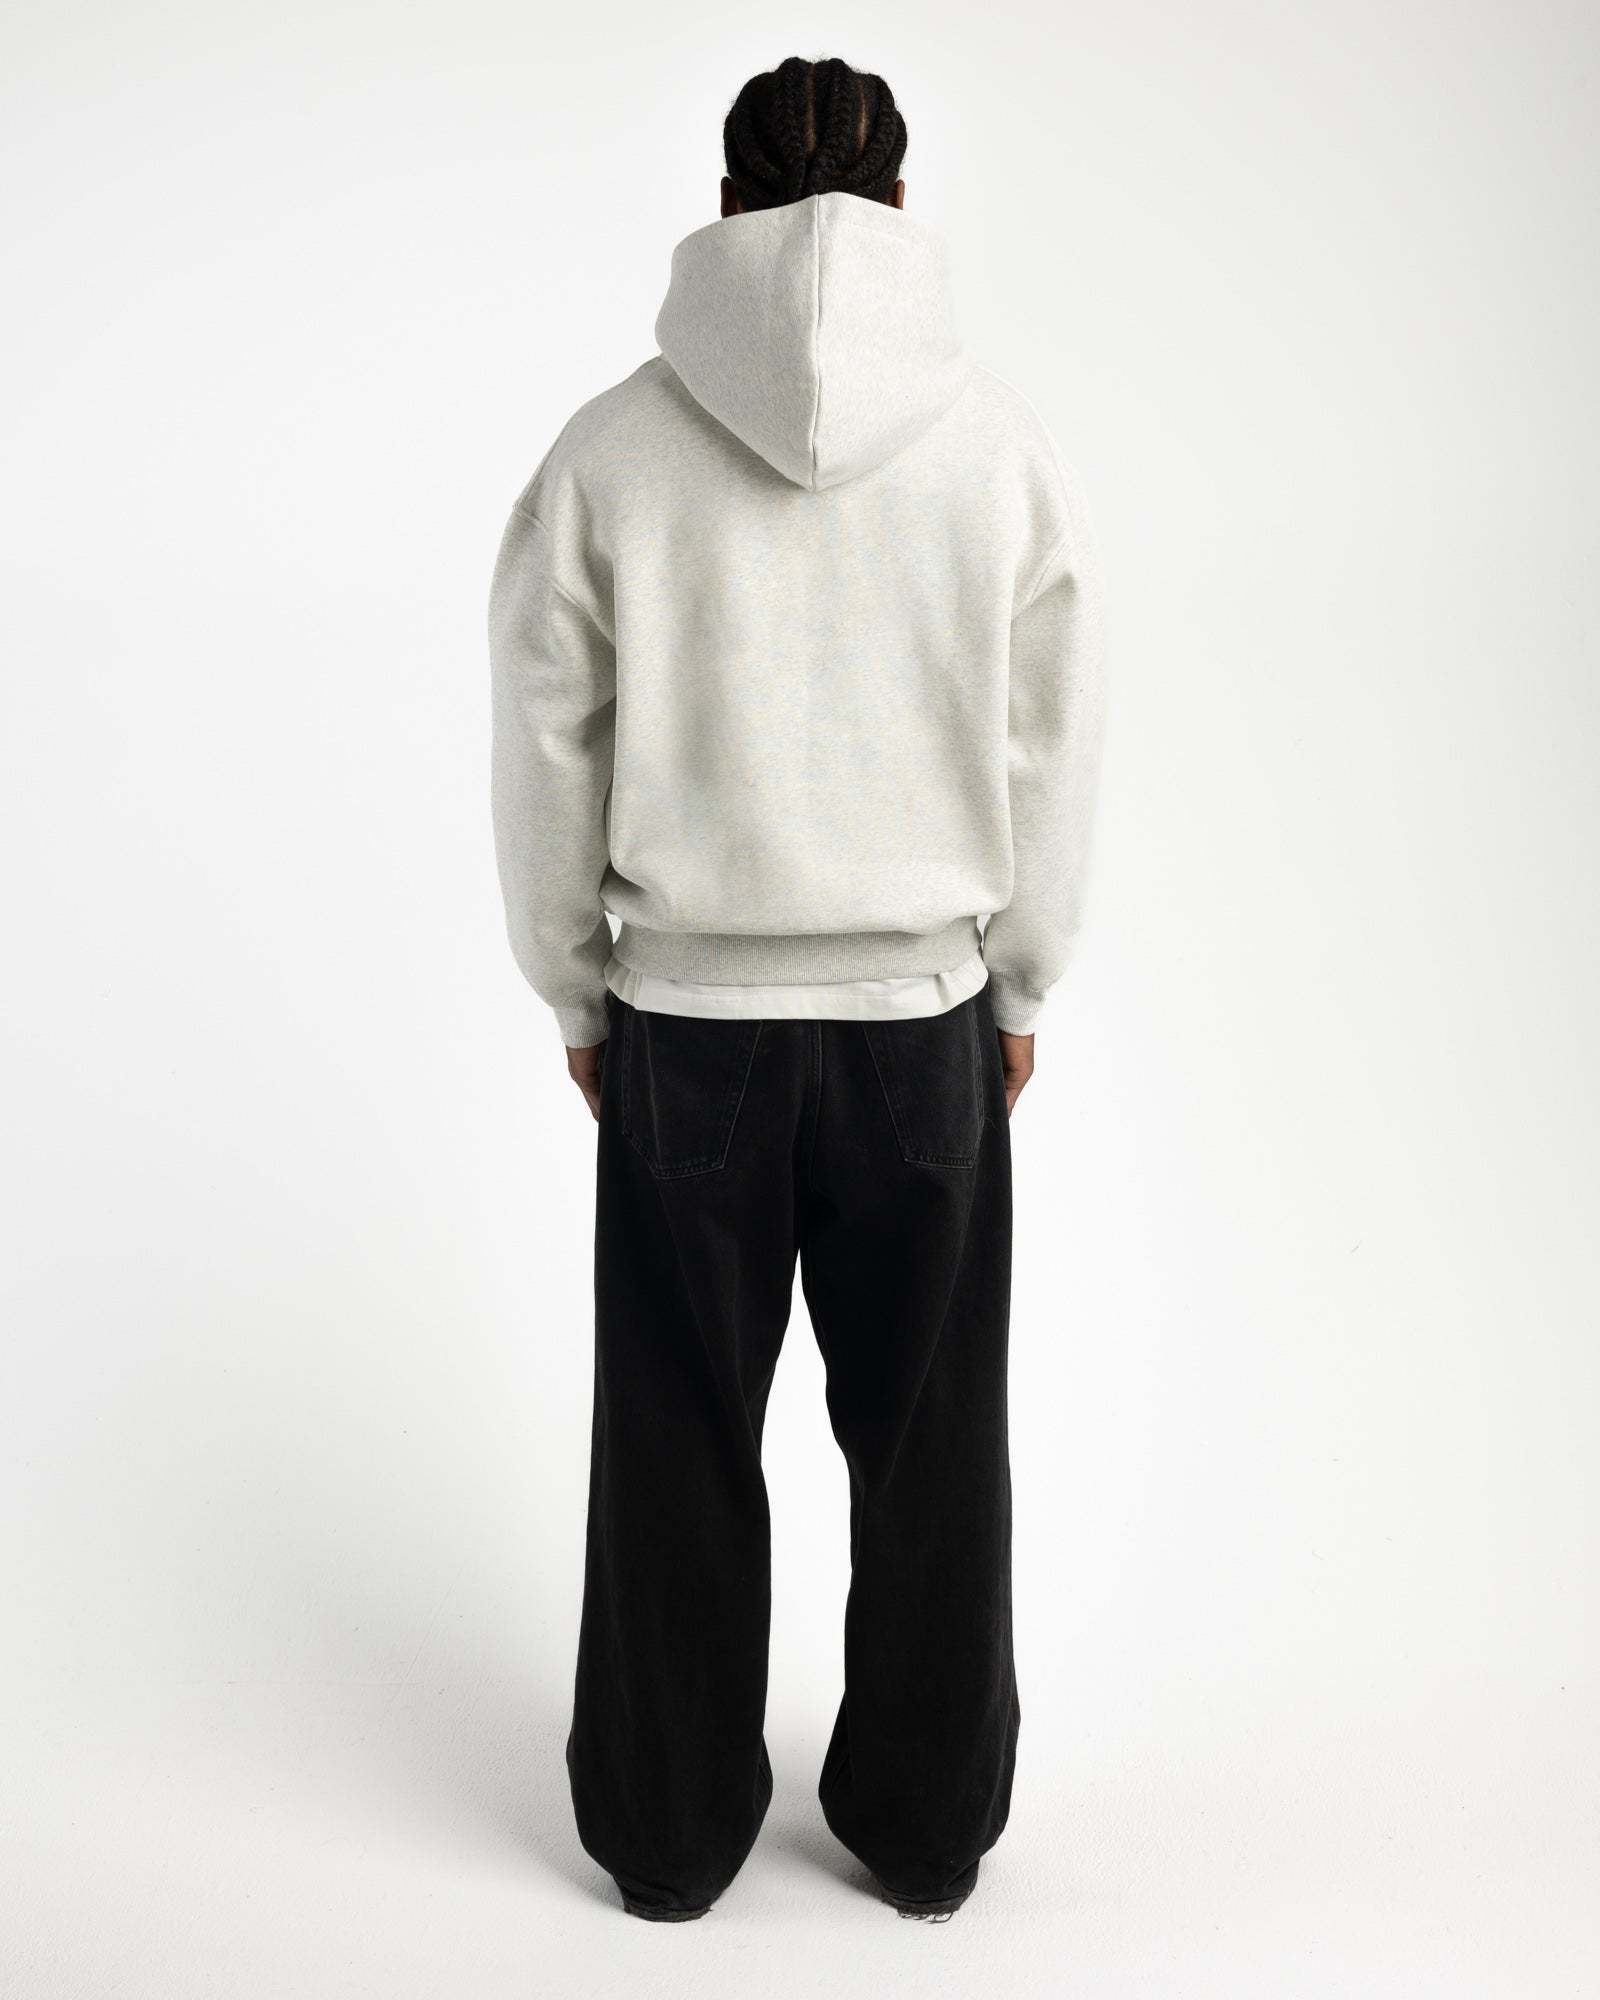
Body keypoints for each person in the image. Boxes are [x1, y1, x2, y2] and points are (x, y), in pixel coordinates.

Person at [488, 54, 1107, 1923]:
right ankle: (924, 1832)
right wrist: (1019, 983)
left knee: (676, 1438)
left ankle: (668, 1838)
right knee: (932, 1450)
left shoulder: (611, 453)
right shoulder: (996, 452)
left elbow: (546, 741)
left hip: (690, 1037)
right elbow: (1052, 741)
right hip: (922, 1032)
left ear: (726, 208)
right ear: (901, 208)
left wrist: (578, 991)